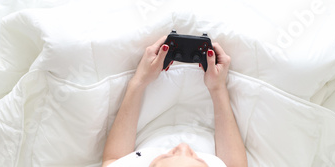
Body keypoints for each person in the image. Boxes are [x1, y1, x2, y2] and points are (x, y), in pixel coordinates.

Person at [102, 36, 247, 167]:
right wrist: (217, 89)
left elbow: (113, 160)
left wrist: (139, 82)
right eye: (198, 159)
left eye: (167, 155)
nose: (183, 146)